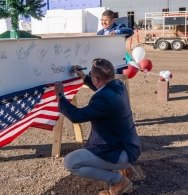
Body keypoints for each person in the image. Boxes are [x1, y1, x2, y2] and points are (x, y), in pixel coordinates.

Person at [54, 58, 141, 195]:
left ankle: (119, 181)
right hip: (131, 147)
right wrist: (83, 76)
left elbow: (77, 116)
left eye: (91, 74)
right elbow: (102, 87)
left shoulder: (102, 100)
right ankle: (127, 170)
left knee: (70, 162)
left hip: (119, 153)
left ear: (97, 79)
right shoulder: (118, 85)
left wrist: (60, 97)